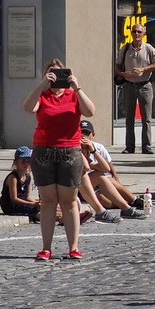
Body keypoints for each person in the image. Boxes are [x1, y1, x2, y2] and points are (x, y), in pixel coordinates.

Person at [25, 57, 94, 261]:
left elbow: (90, 111)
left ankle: (73, 247)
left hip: (69, 151)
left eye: (60, 73)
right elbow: (28, 108)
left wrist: (77, 87)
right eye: (52, 73)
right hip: (44, 151)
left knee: (69, 200)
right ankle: (46, 248)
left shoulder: (73, 95)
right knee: (47, 201)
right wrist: (42, 85)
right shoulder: (43, 95)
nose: (56, 77)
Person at [115, 22, 155, 154]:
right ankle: (130, 146)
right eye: (134, 31)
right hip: (129, 85)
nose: (136, 34)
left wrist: (143, 69)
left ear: (143, 34)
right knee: (129, 118)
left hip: (145, 85)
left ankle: (146, 146)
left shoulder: (148, 48)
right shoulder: (125, 49)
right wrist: (122, 73)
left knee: (146, 118)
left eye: (139, 32)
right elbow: (117, 65)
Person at [79, 119, 140, 221]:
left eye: (86, 133)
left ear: (92, 135)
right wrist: (80, 150)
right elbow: (86, 167)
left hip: (90, 185)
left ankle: (128, 205)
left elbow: (106, 168)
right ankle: (125, 205)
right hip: (75, 188)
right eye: (81, 133)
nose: (83, 137)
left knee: (104, 177)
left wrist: (93, 151)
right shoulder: (74, 149)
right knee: (102, 193)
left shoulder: (95, 148)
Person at [0, 147, 42, 222]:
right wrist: (32, 204)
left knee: (42, 207)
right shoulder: (13, 178)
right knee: (33, 209)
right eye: (23, 161)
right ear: (16, 162)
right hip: (12, 205)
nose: (26, 164)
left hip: (23, 202)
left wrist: (36, 202)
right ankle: (56, 218)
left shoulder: (27, 177)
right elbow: (14, 198)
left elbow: (28, 196)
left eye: (28, 161)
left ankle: (59, 216)